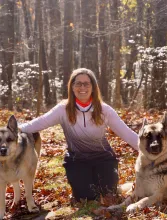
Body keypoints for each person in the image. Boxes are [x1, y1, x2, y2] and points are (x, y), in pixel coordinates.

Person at [19, 68, 138, 202]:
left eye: (86, 83)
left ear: (93, 87)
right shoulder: (62, 109)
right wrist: (13, 129)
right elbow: (39, 123)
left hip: (103, 158)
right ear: (72, 87)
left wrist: (153, 151)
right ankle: (81, 186)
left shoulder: (105, 110)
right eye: (78, 83)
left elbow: (128, 134)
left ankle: (112, 185)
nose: (82, 87)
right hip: (77, 160)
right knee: (86, 197)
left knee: (108, 194)